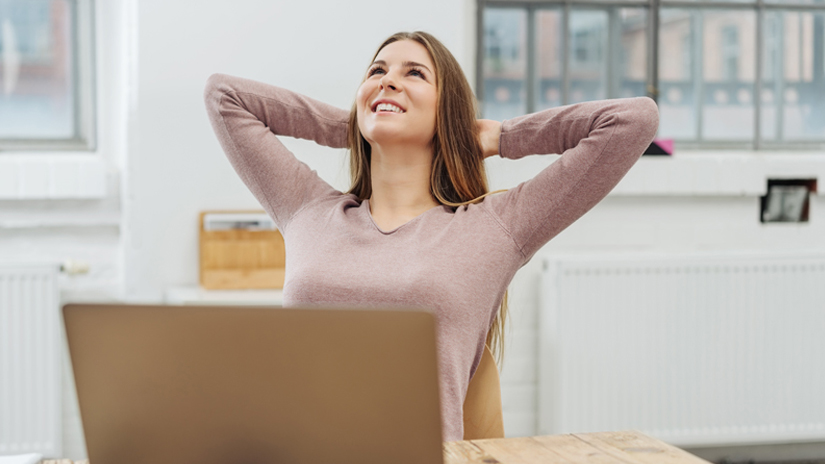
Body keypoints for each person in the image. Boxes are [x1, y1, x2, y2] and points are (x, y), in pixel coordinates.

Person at [204, 31, 659, 442]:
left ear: (448, 111)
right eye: (377, 72)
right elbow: (224, 95)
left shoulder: (493, 227)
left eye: (414, 73)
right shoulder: (308, 210)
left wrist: (503, 136)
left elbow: (632, 121)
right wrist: (354, 124)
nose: (388, 81)